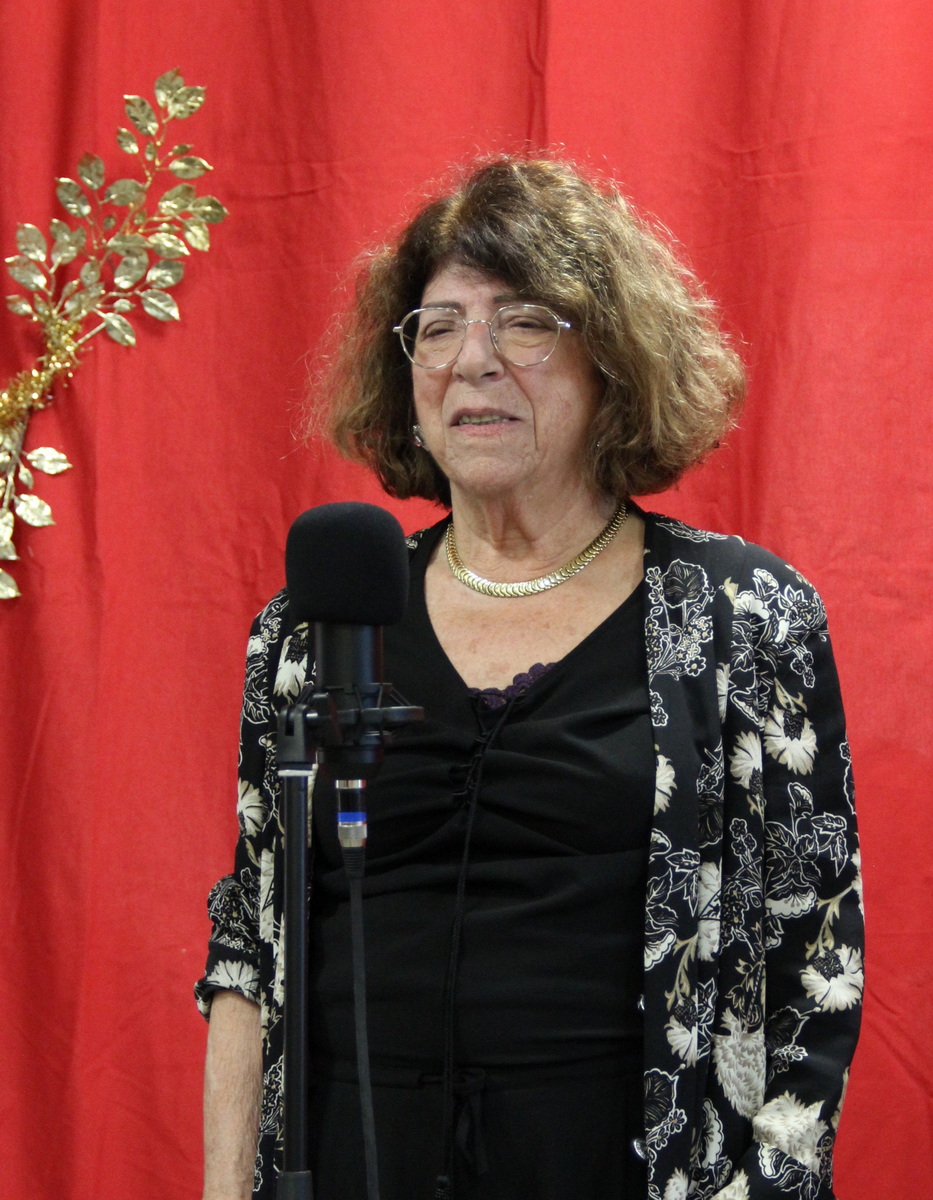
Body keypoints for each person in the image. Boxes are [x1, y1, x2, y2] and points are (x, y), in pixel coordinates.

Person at [196, 157, 863, 1200]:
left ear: (613, 360)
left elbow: (812, 971)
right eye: (439, 327)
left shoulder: (744, 616)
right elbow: (250, 945)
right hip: (352, 1162)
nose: (473, 360)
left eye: (523, 323)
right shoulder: (313, 628)